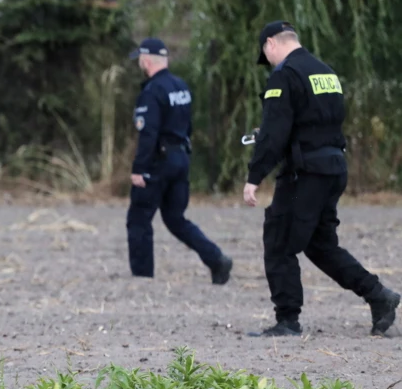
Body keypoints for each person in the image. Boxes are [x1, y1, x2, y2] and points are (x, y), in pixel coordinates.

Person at [243, 21, 399, 337]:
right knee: (320, 245)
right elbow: (315, 122)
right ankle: (379, 296)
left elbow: (274, 134)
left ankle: (287, 320)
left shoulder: (284, 75)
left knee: (279, 240)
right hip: (333, 168)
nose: (268, 61)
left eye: (266, 54)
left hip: (306, 174)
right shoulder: (325, 73)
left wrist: (254, 176)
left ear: (271, 44)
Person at [126, 37, 233, 283]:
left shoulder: (152, 91)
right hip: (181, 158)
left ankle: (142, 280)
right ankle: (216, 259)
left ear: (145, 60)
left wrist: (139, 169)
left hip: (158, 163)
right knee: (175, 219)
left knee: (139, 219)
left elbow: (148, 133)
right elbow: (188, 125)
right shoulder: (180, 86)